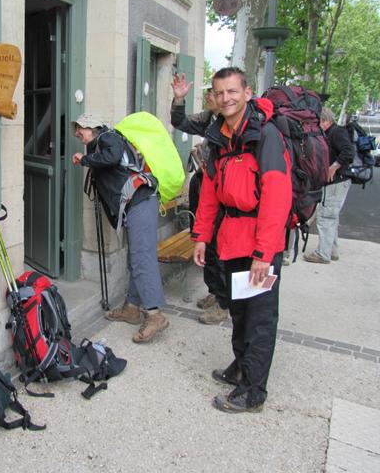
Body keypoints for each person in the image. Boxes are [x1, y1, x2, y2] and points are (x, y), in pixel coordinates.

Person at [192, 67, 292, 413]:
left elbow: (277, 196)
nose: (226, 98)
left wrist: (264, 253)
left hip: (261, 243)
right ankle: (241, 367)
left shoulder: (266, 136)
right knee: (239, 311)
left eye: (233, 91)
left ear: (247, 93)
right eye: (220, 93)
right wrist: (202, 236)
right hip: (232, 240)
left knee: (259, 317)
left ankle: (253, 391)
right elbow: (209, 192)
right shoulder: (220, 137)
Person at [71, 113, 169, 343]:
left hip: (140, 202)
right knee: (135, 258)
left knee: (142, 258)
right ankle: (132, 308)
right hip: (136, 205)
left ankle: (155, 315)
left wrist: (85, 160)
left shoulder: (108, 137)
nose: (77, 133)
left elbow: (113, 157)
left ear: (92, 127)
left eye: (80, 129)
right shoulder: (100, 144)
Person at [170, 76, 228, 325]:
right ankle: (215, 292)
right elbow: (180, 122)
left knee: (221, 248)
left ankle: (224, 303)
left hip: (223, 194)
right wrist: (179, 99)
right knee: (207, 243)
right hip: (205, 185)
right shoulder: (209, 118)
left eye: (213, 92)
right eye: (210, 91)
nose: (208, 96)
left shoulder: (234, 124)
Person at [303, 107, 354, 264]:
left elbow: (348, 152)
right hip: (337, 181)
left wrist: (334, 166)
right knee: (331, 217)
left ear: (325, 121)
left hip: (337, 181)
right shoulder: (334, 132)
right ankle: (331, 250)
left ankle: (323, 253)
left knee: (326, 217)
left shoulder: (336, 132)